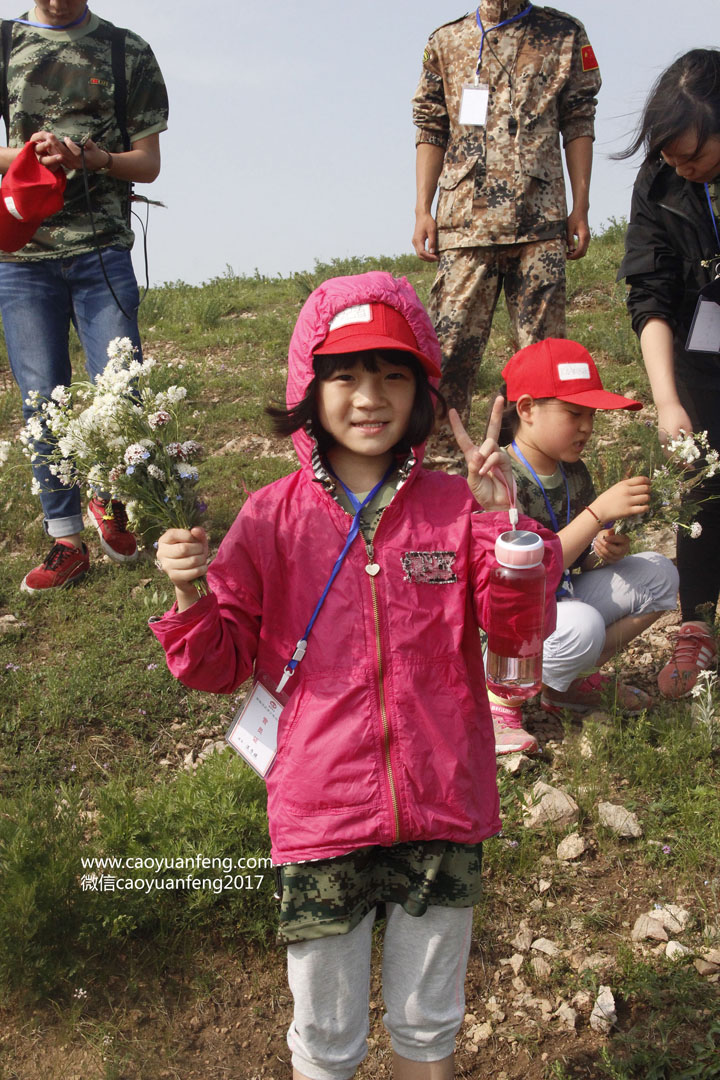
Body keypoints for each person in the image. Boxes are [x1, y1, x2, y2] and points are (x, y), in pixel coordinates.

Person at [150, 272, 562, 1080]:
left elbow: (518, 635)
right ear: (310, 385)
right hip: (320, 815)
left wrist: (509, 532)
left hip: (445, 806)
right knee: (328, 1039)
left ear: (421, 391)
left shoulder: (455, 505)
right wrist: (188, 590)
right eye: (345, 374)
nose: (370, 396)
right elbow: (219, 664)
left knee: (427, 1030)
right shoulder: (271, 515)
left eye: (393, 374)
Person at [0, 1, 168, 592]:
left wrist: (92, 159)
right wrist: (33, 157)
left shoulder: (128, 51)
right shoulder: (4, 42)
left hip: (103, 253)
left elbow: (146, 164)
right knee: (41, 397)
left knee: (120, 389)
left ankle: (114, 502)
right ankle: (65, 538)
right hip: (21, 256)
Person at [411, 1, 601, 440]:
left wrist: (581, 206)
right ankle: (440, 476)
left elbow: (578, 119)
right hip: (463, 226)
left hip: (540, 221)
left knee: (541, 367)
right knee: (448, 358)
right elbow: (430, 126)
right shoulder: (446, 40)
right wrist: (423, 209)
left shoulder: (564, 34)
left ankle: (532, 477)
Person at [490, 338, 679, 755]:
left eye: (591, 415)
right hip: (507, 627)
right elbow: (520, 575)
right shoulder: (501, 476)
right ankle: (499, 703)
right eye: (573, 413)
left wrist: (600, 552)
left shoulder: (573, 472)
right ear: (525, 409)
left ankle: (569, 683)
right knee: (581, 624)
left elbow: (574, 564)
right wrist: (596, 513)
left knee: (659, 575)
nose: (587, 427)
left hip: (559, 601)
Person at [617, 48, 720, 698]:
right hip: (698, 346)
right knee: (702, 480)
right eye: (671, 155)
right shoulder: (660, 183)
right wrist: (667, 400)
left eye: (693, 155)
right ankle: (696, 626)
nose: (680, 167)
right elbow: (650, 292)